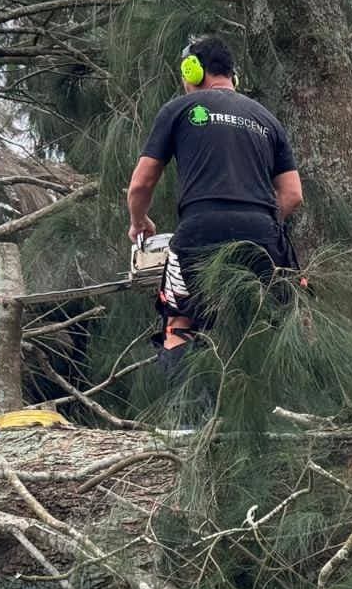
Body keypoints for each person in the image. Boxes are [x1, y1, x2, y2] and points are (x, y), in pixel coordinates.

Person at [126, 35, 303, 378]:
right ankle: (275, 409)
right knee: (268, 319)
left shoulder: (178, 109)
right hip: (262, 233)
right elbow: (293, 194)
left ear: (192, 71)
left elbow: (141, 183)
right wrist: (259, 221)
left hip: (200, 227)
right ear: (232, 75)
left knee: (179, 322)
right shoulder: (267, 118)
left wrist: (139, 220)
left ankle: (191, 418)